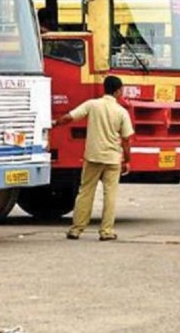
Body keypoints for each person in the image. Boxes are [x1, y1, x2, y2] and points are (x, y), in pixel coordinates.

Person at [53, 76, 134, 241]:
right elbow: (126, 139)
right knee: (110, 195)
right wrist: (127, 160)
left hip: (93, 157)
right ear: (118, 91)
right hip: (112, 159)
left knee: (85, 192)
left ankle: (76, 229)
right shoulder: (121, 112)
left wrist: (55, 123)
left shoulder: (92, 105)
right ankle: (106, 231)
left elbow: (70, 117)